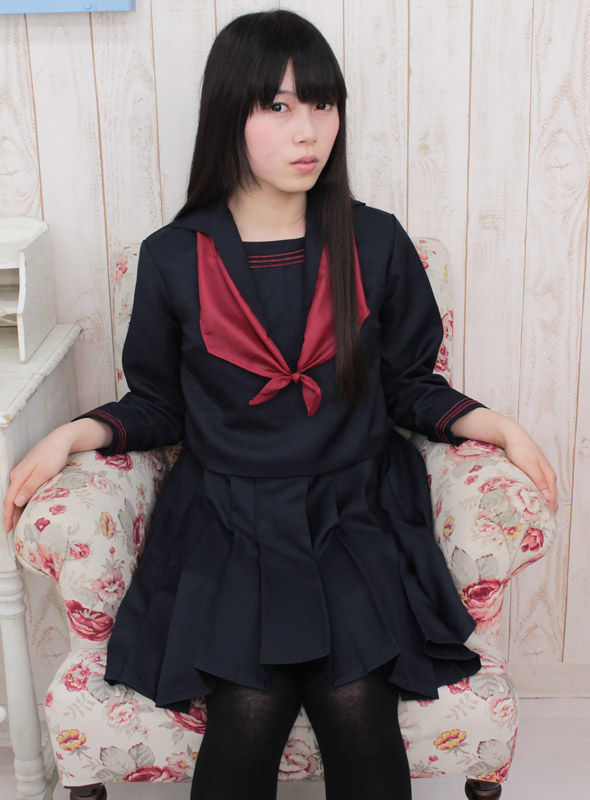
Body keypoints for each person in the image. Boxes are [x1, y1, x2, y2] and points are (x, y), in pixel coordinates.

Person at [3, 10, 557, 800]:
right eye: (278, 106)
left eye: (323, 104)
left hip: (355, 510)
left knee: (356, 699)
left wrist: (497, 425)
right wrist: (73, 434)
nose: (309, 130)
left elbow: (407, 384)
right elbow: (159, 402)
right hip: (230, 516)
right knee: (249, 706)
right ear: (230, 114)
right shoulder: (173, 257)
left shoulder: (376, 242)